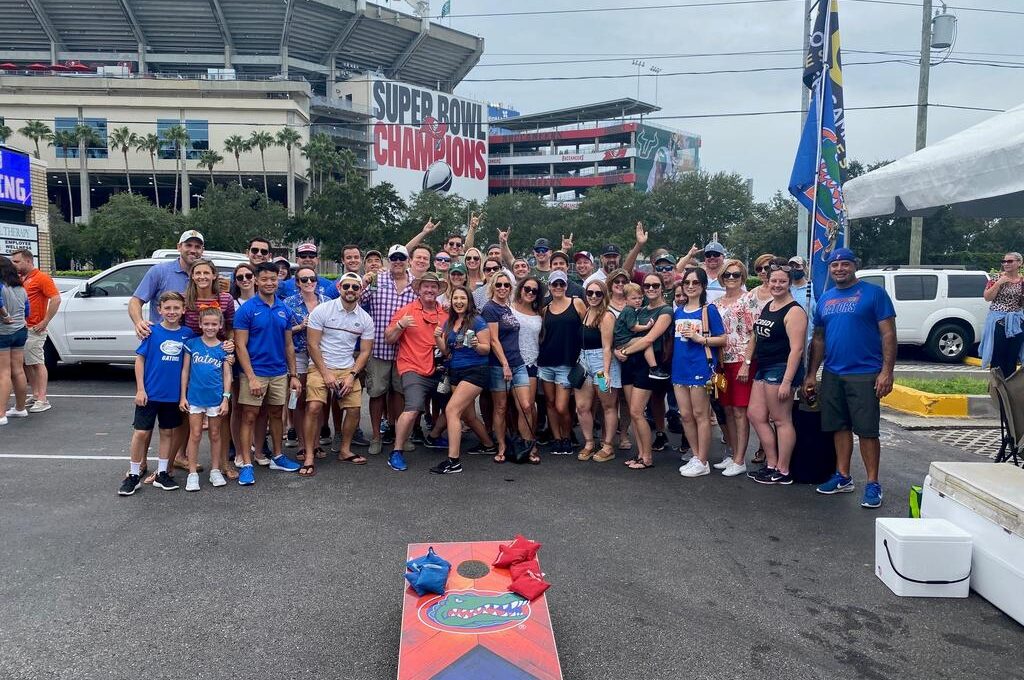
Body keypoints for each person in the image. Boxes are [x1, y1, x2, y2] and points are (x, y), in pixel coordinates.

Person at [805, 248, 896, 509]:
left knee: (867, 431)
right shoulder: (825, 299)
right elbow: (819, 339)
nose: (839, 269)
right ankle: (843, 476)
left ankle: (872, 483)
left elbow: (888, 334)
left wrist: (887, 371)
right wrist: (812, 374)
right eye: (835, 266)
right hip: (834, 372)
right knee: (839, 426)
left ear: (854, 266)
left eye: (845, 264)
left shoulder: (874, 294)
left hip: (865, 372)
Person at [233, 262, 303, 485]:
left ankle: (278, 456)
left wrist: (293, 375)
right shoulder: (247, 310)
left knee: (276, 414)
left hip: (279, 372)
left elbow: (289, 345)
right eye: (264, 279)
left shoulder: (284, 308)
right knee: (250, 417)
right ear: (256, 280)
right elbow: (240, 346)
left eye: (273, 279)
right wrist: (251, 377)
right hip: (255, 373)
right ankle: (246, 463)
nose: (269, 283)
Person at [118, 292, 194, 495]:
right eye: (167, 308)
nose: (172, 312)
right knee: (141, 433)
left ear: (183, 310)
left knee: (167, 432)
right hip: (150, 394)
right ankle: (133, 474)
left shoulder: (188, 334)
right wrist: (141, 389)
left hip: (173, 396)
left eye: (176, 308)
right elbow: (140, 360)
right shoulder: (151, 332)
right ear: (159, 310)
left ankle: (162, 473)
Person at [304, 272, 374, 475]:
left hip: (347, 367)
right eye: (347, 286)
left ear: (361, 290)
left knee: (353, 410)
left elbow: (365, 351)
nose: (350, 290)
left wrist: (352, 375)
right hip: (320, 365)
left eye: (355, 287)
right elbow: (312, 344)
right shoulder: (322, 310)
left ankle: (344, 449)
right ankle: (309, 454)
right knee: (314, 407)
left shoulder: (365, 319)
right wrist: (325, 374)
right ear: (339, 288)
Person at [746, 260, 808, 486]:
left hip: (781, 369)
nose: (777, 285)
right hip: (763, 367)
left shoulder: (794, 311)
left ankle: (783, 470)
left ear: (790, 283)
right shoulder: (768, 306)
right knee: (755, 414)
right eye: (774, 281)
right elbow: (756, 335)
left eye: (782, 281)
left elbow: (797, 349)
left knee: (781, 420)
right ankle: (771, 463)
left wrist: (787, 381)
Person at [431, 286, 497, 474]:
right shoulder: (450, 322)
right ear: (451, 301)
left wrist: (477, 345)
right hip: (455, 372)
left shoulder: (477, 321)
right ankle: (488, 443)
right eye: (455, 298)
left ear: (469, 301)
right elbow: (446, 351)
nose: (459, 302)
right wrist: (437, 339)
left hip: (475, 371)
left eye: (463, 298)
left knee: (452, 410)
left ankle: (453, 461)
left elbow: (486, 349)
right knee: (468, 415)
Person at [383, 272, 445, 472]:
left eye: (433, 287)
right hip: (413, 367)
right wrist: (400, 326)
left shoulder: (445, 313)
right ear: (418, 289)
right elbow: (389, 339)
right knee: (412, 409)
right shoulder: (406, 311)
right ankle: (396, 451)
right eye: (425, 286)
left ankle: (433, 436)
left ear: (438, 290)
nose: (429, 290)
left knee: (457, 407)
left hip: (439, 369)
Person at [361, 244, 416, 455]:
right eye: (394, 258)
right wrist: (364, 282)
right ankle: (376, 436)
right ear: (389, 260)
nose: (398, 261)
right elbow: (358, 299)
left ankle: (400, 435)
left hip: (405, 350)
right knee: (376, 394)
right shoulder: (378, 280)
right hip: (379, 350)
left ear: (408, 260)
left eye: (402, 257)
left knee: (400, 395)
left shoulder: (415, 284)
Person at [615, 273, 674, 470]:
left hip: (646, 366)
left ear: (661, 287)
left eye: (655, 285)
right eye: (647, 285)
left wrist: (624, 350)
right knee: (634, 413)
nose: (650, 289)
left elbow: (649, 339)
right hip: (630, 364)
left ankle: (647, 457)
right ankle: (640, 454)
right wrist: (620, 351)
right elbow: (628, 331)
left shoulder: (665, 311)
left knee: (637, 411)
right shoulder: (639, 310)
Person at [671, 272, 727, 478]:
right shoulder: (678, 311)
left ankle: (703, 460)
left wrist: (700, 339)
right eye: (687, 282)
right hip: (679, 369)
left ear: (703, 286)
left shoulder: (708, 310)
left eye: (695, 282)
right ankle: (696, 456)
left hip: (700, 368)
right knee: (685, 415)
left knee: (701, 415)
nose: (691, 286)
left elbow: (722, 339)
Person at [178, 307, 232, 491]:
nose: (210, 327)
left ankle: (215, 470)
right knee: (195, 434)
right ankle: (192, 473)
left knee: (215, 434)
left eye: (214, 324)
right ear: (200, 324)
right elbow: (185, 371)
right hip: (194, 398)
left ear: (220, 325)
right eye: (206, 324)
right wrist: (182, 396)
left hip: (216, 399)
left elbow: (227, 376)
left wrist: (226, 398)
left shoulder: (223, 347)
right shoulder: (192, 344)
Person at [713, 259, 758, 477]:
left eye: (736, 275)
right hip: (723, 362)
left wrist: (747, 363)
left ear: (742, 277)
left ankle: (740, 459)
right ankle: (731, 453)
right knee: (727, 409)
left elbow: (754, 333)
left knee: (740, 411)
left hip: (741, 360)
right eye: (728, 275)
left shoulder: (749, 299)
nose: (731, 278)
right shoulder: (717, 302)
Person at [483, 271, 534, 463]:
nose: (502, 288)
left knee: (526, 406)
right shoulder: (490, 308)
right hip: (499, 365)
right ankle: (502, 445)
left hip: (518, 362)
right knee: (501, 407)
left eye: (506, 285)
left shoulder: (508, 308)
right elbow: (494, 340)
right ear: (493, 287)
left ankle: (527, 444)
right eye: (499, 285)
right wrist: (505, 364)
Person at [537, 270, 587, 456]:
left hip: (567, 362)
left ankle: (567, 436)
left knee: (561, 406)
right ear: (549, 287)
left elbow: (587, 326)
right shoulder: (545, 309)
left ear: (566, 285)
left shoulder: (577, 303)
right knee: (549, 403)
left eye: (561, 284)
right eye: (554, 284)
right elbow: (541, 335)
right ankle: (557, 438)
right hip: (546, 362)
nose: (558, 287)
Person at [283, 266, 327, 454]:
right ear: (297, 283)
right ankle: (302, 445)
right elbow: (282, 332)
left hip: (322, 355)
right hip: (299, 354)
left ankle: (315, 444)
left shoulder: (327, 301)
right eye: (304, 279)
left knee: (317, 401)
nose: (309, 282)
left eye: (312, 278)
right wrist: (301, 326)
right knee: (299, 400)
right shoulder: (288, 303)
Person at [130, 229, 205, 338]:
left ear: (203, 250)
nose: (193, 250)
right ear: (179, 247)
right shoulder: (159, 271)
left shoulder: (206, 277)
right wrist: (139, 323)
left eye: (197, 247)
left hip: (195, 343)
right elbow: (135, 301)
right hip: (161, 339)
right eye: (188, 245)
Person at [10, 248, 60, 413]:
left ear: (28, 261)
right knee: (27, 363)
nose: (14, 265)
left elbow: (56, 299)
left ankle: (43, 398)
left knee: (37, 362)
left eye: (17, 261)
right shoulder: (21, 279)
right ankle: (36, 394)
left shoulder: (41, 278)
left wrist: (45, 321)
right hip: (23, 327)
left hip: (35, 327)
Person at [576, 280, 620, 463]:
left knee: (608, 405)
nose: (593, 296)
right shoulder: (586, 313)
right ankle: (588, 442)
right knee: (582, 406)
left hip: (602, 365)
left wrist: (607, 372)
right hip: (584, 363)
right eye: (590, 293)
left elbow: (607, 347)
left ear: (604, 295)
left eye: (598, 293)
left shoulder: (607, 316)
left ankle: (608, 445)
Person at [511, 276, 544, 464]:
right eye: (527, 289)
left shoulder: (540, 313)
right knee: (506, 408)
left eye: (534, 290)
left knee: (527, 407)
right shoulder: (510, 309)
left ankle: (529, 444)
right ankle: (511, 443)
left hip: (532, 363)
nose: (530, 292)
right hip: (512, 362)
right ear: (520, 289)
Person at [981, 251, 1024, 378]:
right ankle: (996, 386)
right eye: (1004, 261)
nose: (1006, 264)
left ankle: (1009, 388)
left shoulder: (1022, 281)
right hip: (999, 321)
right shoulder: (996, 278)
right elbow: (987, 297)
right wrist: (999, 283)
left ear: (1019, 263)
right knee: (998, 355)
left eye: (1010, 261)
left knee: (1012, 356)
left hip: (1017, 322)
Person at [613, 283, 668, 381]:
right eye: (634, 298)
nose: (638, 301)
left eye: (640, 298)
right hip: (623, 342)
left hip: (622, 341)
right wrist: (646, 327)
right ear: (625, 300)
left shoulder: (633, 310)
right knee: (645, 342)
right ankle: (654, 368)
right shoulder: (629, 311)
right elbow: (633, 327)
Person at [1, 256, 29, 426]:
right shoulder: (21, 287)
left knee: (3, 372)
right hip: (20, 330)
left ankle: (1, 413)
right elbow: (27, 308)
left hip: (3, 332)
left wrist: (5, 316)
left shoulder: (1, 286)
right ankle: (20, 408)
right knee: (18, 370)